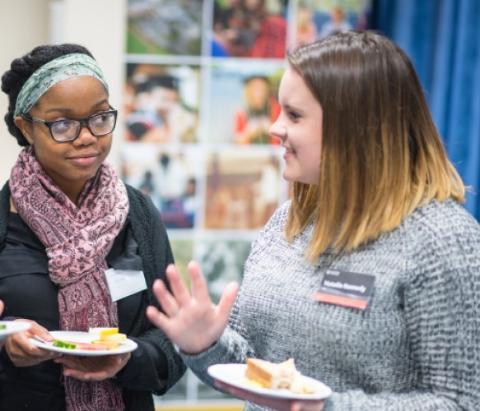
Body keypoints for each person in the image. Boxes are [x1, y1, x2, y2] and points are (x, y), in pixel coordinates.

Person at [146, 31, 480, 411]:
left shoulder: (443, 240)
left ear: (355, 127)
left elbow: (461, 402)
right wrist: (205, 344)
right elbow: (255, 373)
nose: (274, 128)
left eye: (294, 114)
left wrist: (327, 406)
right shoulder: (287, 223)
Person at [0, 43, 185, 411]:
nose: (87, 136)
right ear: (26, 127)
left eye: (100, 117)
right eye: (63, 124)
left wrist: (126, 360)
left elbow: (175, 342)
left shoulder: (138, 214)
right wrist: (5, 342)